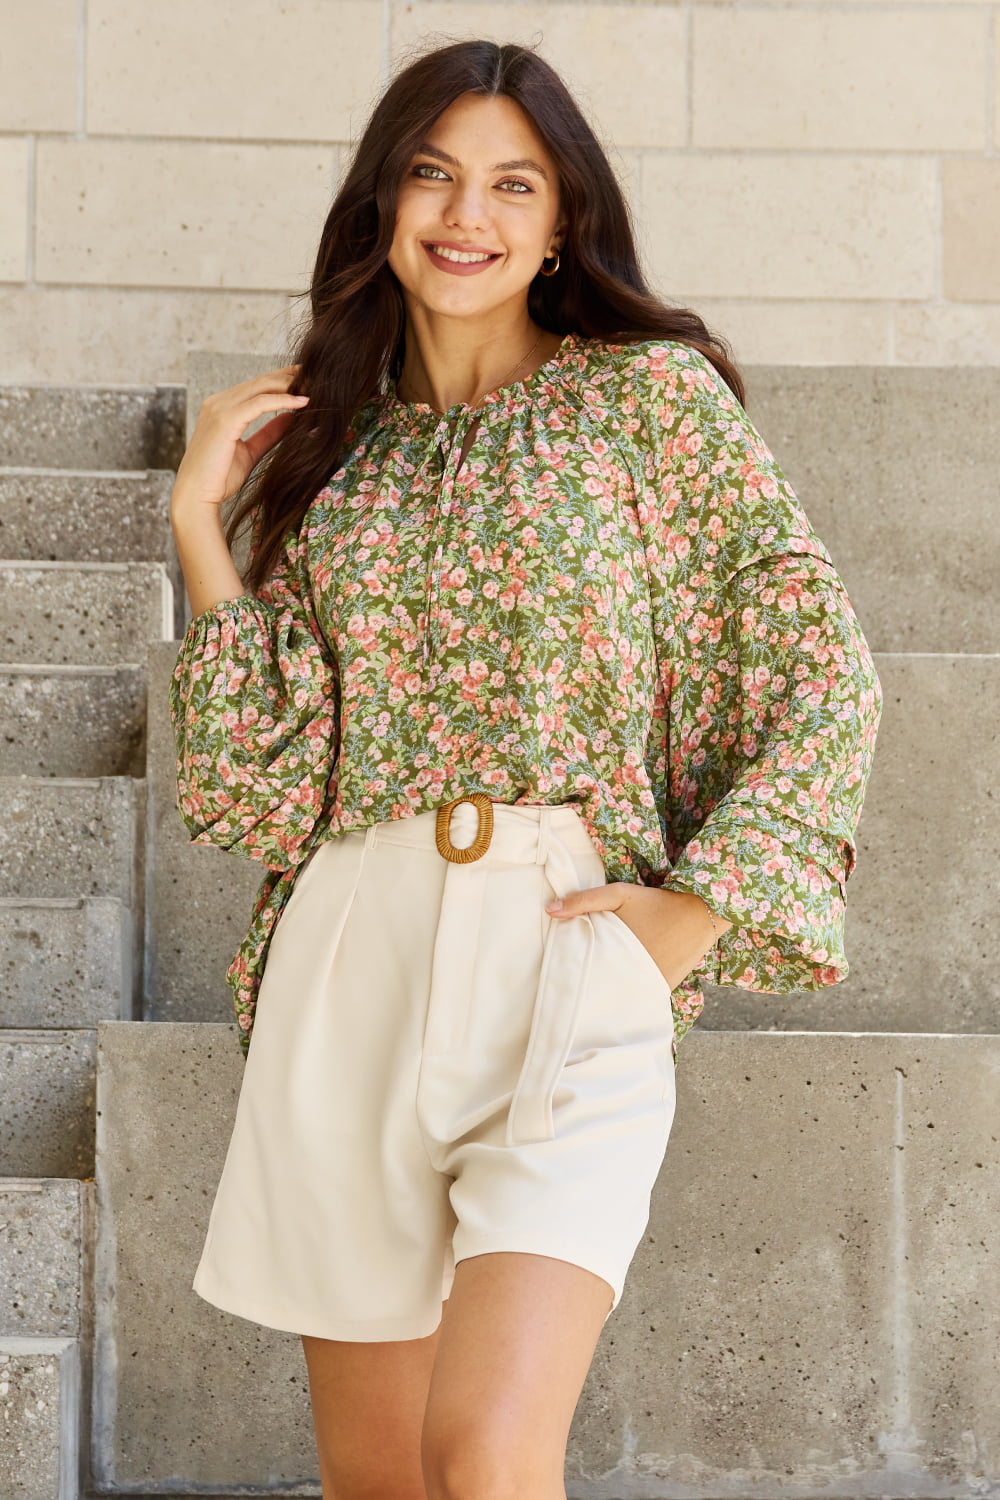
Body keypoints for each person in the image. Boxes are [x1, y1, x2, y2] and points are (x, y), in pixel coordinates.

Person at [167, 37, 882, 1500]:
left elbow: (823, 667)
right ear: (382, 202)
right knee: (382, 1482)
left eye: (512, 181)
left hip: (565, 950)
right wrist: (200, 526)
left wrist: (701, 907)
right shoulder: (338, 457)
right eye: (431, 173)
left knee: (486, 1452)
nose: (465, 212)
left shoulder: (649, 406)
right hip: (349, 956)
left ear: (563, 223)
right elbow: (256, 785)